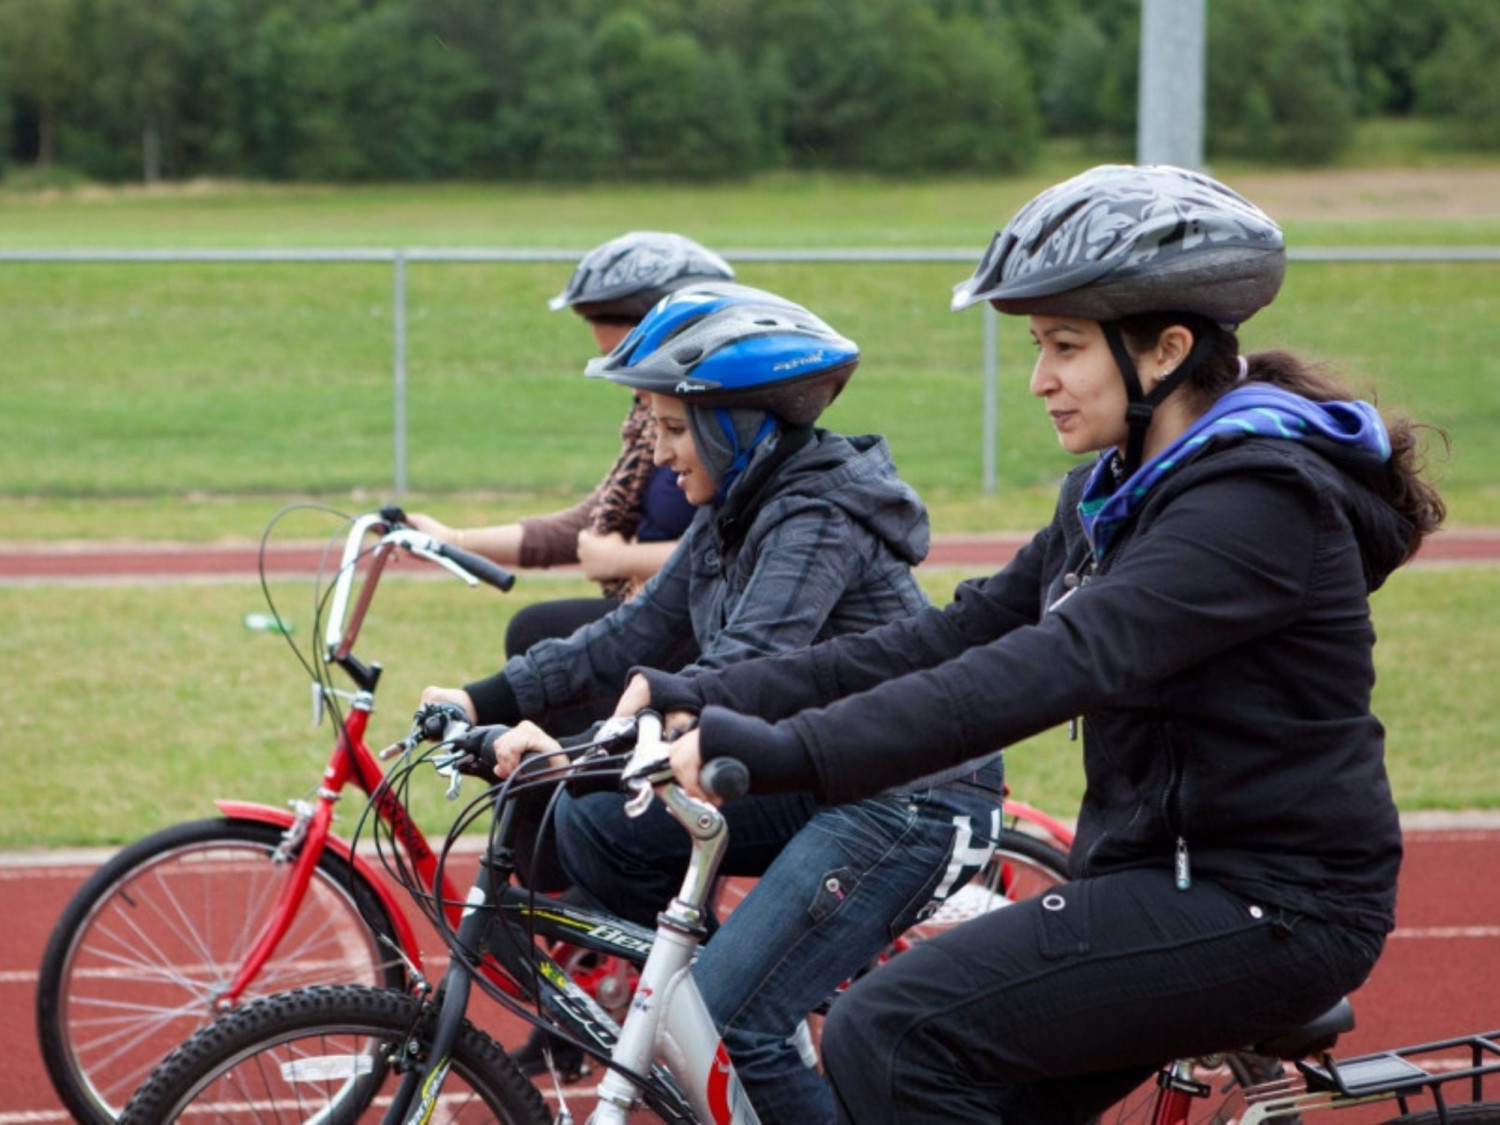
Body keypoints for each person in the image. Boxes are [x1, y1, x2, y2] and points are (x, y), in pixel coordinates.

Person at [627, 164, 1447, 1124]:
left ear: (1166, 350)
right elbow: (954, 634)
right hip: (1159, 876)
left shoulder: (1254, 507)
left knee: (888, 1030)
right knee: (944, 1069)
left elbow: (1055, 664)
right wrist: (716, 692)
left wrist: (788, 754)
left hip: (1270, 902)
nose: (1040, 379)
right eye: (1036, 344)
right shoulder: (1118, 490)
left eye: (1065, 345)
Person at [421, 281, 1007, 1123]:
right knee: (595, 827)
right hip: (821, 766)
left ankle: (742, 1020)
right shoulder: (733, 507)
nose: (657, 453)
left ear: (736, 425)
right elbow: (628, 639)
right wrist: (480, 699)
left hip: (910, 794)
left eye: (667, 427)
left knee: (732, 1021)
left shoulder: (814, 513)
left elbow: (738, 670)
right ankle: (728, 1013)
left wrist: (572, 749)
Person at [409, 231, 732, 665]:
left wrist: (623, 558)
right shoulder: (647, 425)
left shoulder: (726, 425)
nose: (628, 384)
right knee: (537, 637)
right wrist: (453, 540)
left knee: (536, 632)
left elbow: (735, 547)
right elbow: (582, 527)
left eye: (632, 362)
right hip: (656, 610)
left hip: (706, 626)